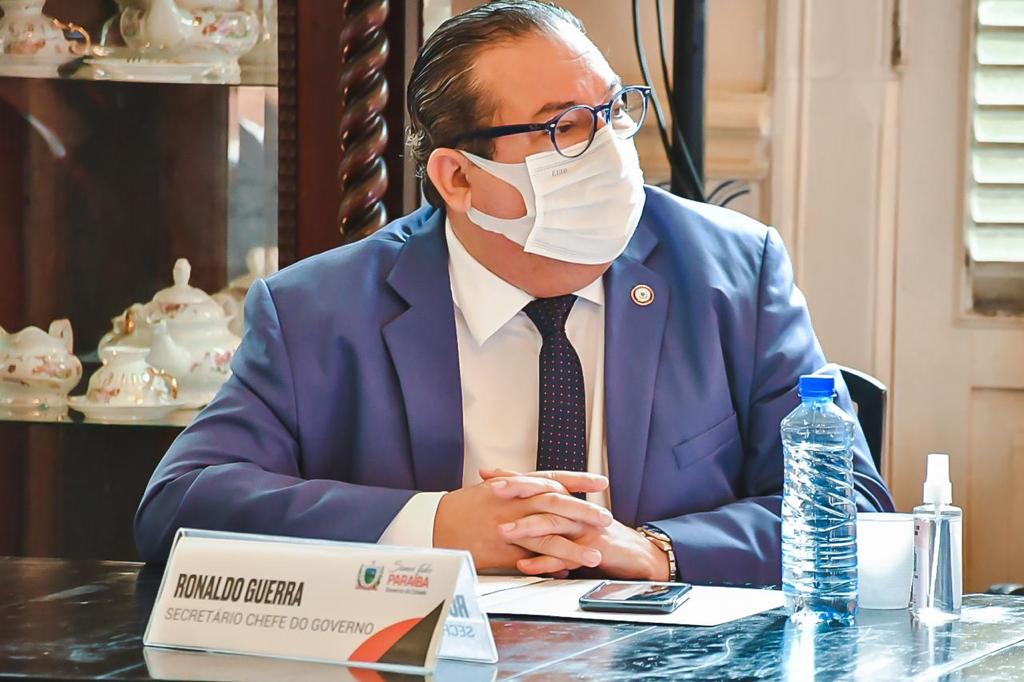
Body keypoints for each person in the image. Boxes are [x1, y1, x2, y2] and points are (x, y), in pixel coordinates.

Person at [134, 0, 893, 585]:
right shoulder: (320, 310)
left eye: (612, 111)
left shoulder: (731, 273)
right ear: (459, 179)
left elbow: (854, 510)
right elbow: (180, 506)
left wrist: (653, 549)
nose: (608, 150)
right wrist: (434, 526)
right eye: (564, 128)